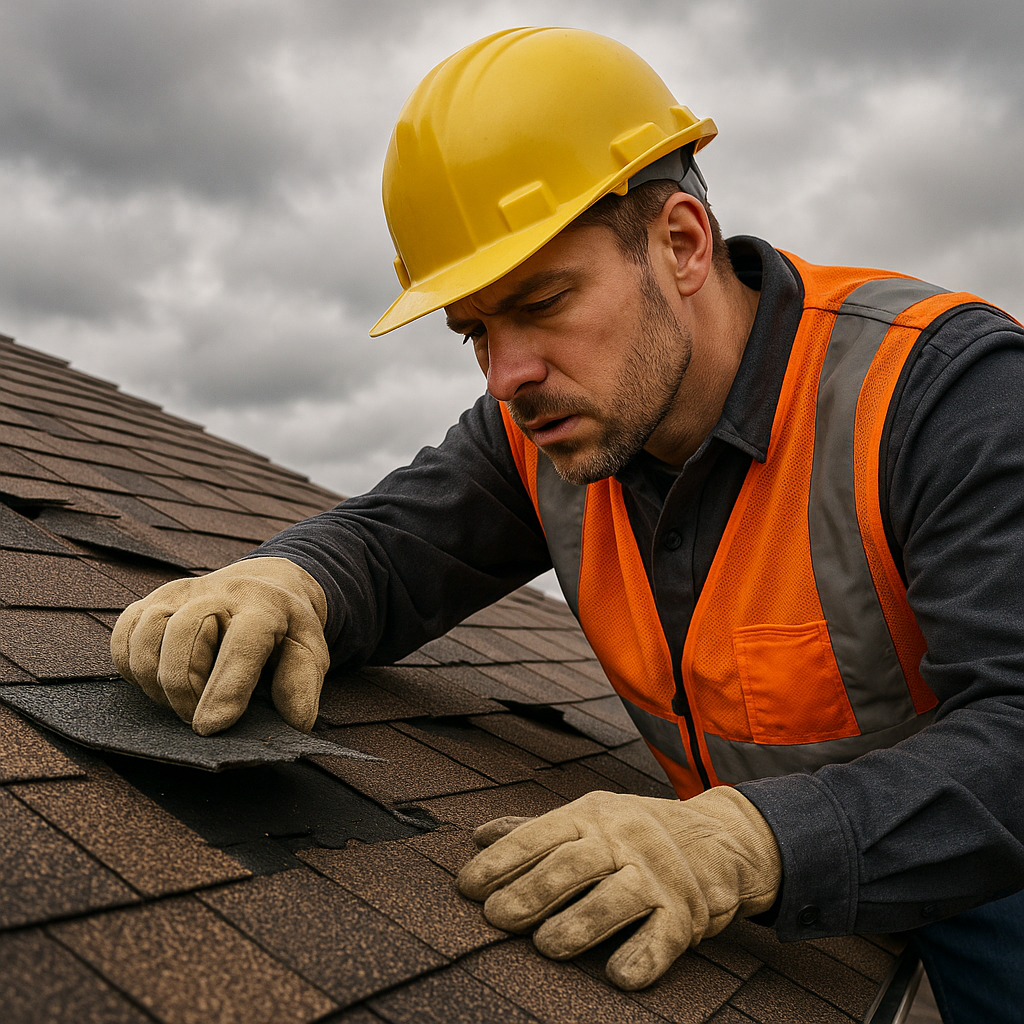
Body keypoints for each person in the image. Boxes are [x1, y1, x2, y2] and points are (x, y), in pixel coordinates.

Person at [111, 27, 1024, 1021]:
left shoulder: (943, 395)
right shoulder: (547, 433)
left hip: (988, 872)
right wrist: (287, 578)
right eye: (474, 332)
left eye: (542, 302)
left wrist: (741, 842)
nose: (508, 375)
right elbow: (388, 549)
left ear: (681, 243)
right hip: (797, 912)